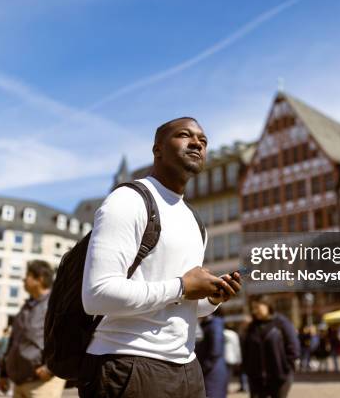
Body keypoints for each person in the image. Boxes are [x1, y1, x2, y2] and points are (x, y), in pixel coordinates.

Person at [80, 117, 242, 397]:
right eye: (184, 135)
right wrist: (181, 286)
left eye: (203, 141)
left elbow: (184, 306)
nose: (197, 143)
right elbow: (97, 295)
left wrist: (211, 298)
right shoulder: (128, 201)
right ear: (157, 149)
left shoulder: (194, 221)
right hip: (127, 363)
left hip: (187, 367)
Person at [0, 260, 66, 398]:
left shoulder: (56, 304)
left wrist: (50, 369)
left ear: (39, 279)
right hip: (19, 382)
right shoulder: (27, 306)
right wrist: (4, 373)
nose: (24, 279)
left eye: (28, 275)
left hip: (42, 383)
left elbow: (67, 339)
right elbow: (13, 341)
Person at [242, 295, 300, 398]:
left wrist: (286, 367)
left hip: (279, 376)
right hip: (256, 379)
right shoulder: (252, 327)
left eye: (257, 307)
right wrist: (248, 369)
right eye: (253, 308)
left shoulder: (282, 323)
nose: (254, 311)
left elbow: (293, 347)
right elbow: (245, 349)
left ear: (267, 306)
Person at [196, 310, 228, 398]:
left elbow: (216, 351)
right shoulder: (207, 323)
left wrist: (203, 368)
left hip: (213, 371)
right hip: (211, 369)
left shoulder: (215, 324)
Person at [223, 324, 245, 392]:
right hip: (231, 357)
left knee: (225, 374)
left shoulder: (222, 333)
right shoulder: (233, 334)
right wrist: (239, 359)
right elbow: (237, 347)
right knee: (229, 373)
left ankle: (224, 387)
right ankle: (226, 387)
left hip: (223, 357)